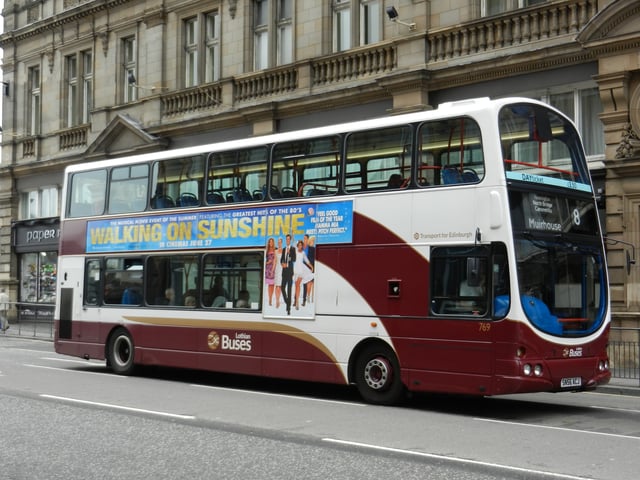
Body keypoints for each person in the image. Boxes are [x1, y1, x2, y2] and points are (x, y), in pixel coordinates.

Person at [293, 240, 314, 310]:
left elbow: (307, 261)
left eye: (301, 245)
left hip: (301, 270)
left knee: (298, 285)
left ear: (302, 246)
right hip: (295, 270)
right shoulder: (295, 251)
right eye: (299, 245)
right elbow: (293, 241)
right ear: (297, 246)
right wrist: (292, 234)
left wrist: (311, 267)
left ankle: (297, 302)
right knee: (296, 286)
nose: (300, 246)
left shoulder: (303, 253)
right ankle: (296, 300)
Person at [280, 234, 296, 315]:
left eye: (289, 239)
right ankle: (287, 302)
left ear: (290, 240)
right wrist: (282, 264)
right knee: (282, 287)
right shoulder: (283, 249)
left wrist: (290, 255)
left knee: (289, 290)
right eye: (286, 239)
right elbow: (281, 259)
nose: (288, 240)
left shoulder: (293, 249)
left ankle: (288, 308)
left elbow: (294, 259)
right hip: (284, 272)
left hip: (290, 272)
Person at [265, 238, 276, 306]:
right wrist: (267, 262)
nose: (271, 243)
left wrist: (273, 270)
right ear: (268, 243)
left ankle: (271, 298)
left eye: (272, 242)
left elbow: (275, 260)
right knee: (270, 285)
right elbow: (264, 260)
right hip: (268, 268)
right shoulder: (266, 251)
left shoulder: (275, 250)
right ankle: (269, 299)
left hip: (273, 268)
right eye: (270, 242)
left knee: (273, 285)